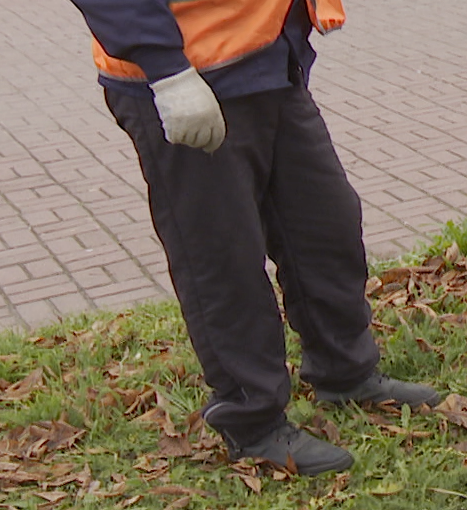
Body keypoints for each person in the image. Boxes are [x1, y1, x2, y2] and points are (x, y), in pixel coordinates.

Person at [71, 0, 440, 475]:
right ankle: (253, 420)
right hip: (189, 72)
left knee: (325, 223)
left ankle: (345, 371)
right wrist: (167, 71)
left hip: (266, 53)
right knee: (224, 257)